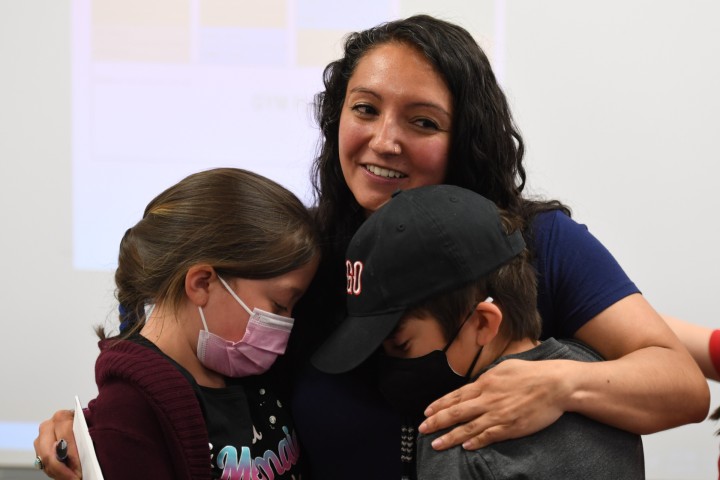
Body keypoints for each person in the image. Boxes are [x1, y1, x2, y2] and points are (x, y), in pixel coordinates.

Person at [34, 14, 709, 480]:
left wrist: (562, 385)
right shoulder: (300, 254)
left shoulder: (531, 243)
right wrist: (92, 430)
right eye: (364, 108)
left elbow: (678, 386)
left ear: (465, 136)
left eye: (421, 121)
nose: (385, 139)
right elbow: (166, 342)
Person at [312, 184, 645, 479]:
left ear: (483, 322)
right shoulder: (602, 386)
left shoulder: (456, 439)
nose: (389, 367)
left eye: (401, 344)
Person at [33, 168, 319, 479]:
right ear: (202, 284)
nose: (286, 323)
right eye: (279, 305)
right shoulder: (129, 412)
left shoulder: (248, 370)